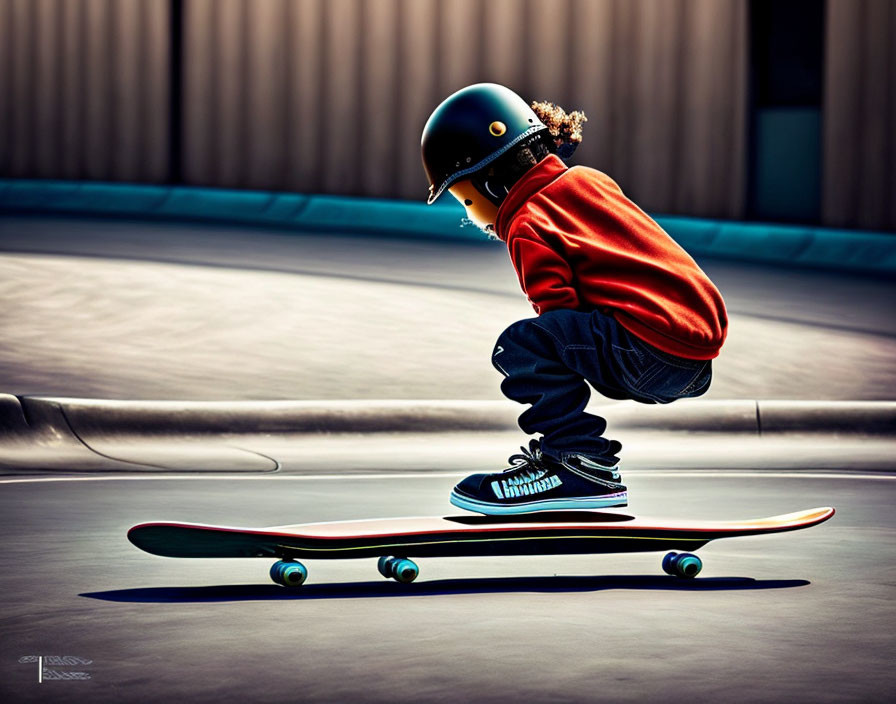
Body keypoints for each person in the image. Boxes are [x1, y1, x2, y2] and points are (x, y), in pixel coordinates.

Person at [421, 83, 727, 515]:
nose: (470, 216)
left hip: (645, 350)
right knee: (555, 340)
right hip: (694, 354)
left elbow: (557, 314)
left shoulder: (527, 220)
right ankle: (581, 463)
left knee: (523, 345)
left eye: (464, 199)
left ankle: (576, 462)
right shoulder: (589, 181)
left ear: (490, 186)